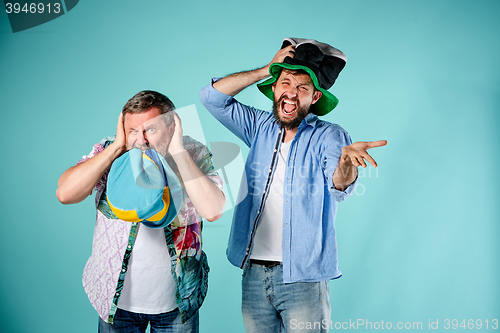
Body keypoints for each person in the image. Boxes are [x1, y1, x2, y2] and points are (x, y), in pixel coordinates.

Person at [200, 38, 387, 332]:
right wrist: (266, 69)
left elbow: (340, 187)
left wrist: (346, 164)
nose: (292, 93)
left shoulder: (330, 136)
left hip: (303, 278)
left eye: (303, 88)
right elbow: (212, 97)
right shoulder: (260, 126)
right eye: (286, 82)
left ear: (314, 98)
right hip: (253, 273)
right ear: (274, 88)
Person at [56, 91, 225, 333]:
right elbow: (65, 193)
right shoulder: (112, 151)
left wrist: (178, 151)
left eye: (150, 130)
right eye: (133, 130)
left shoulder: (193, 152)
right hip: (117, 302)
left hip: (177, 304)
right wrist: (116, 147)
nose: (141, 140)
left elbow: (213, 210)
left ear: (171, 128)